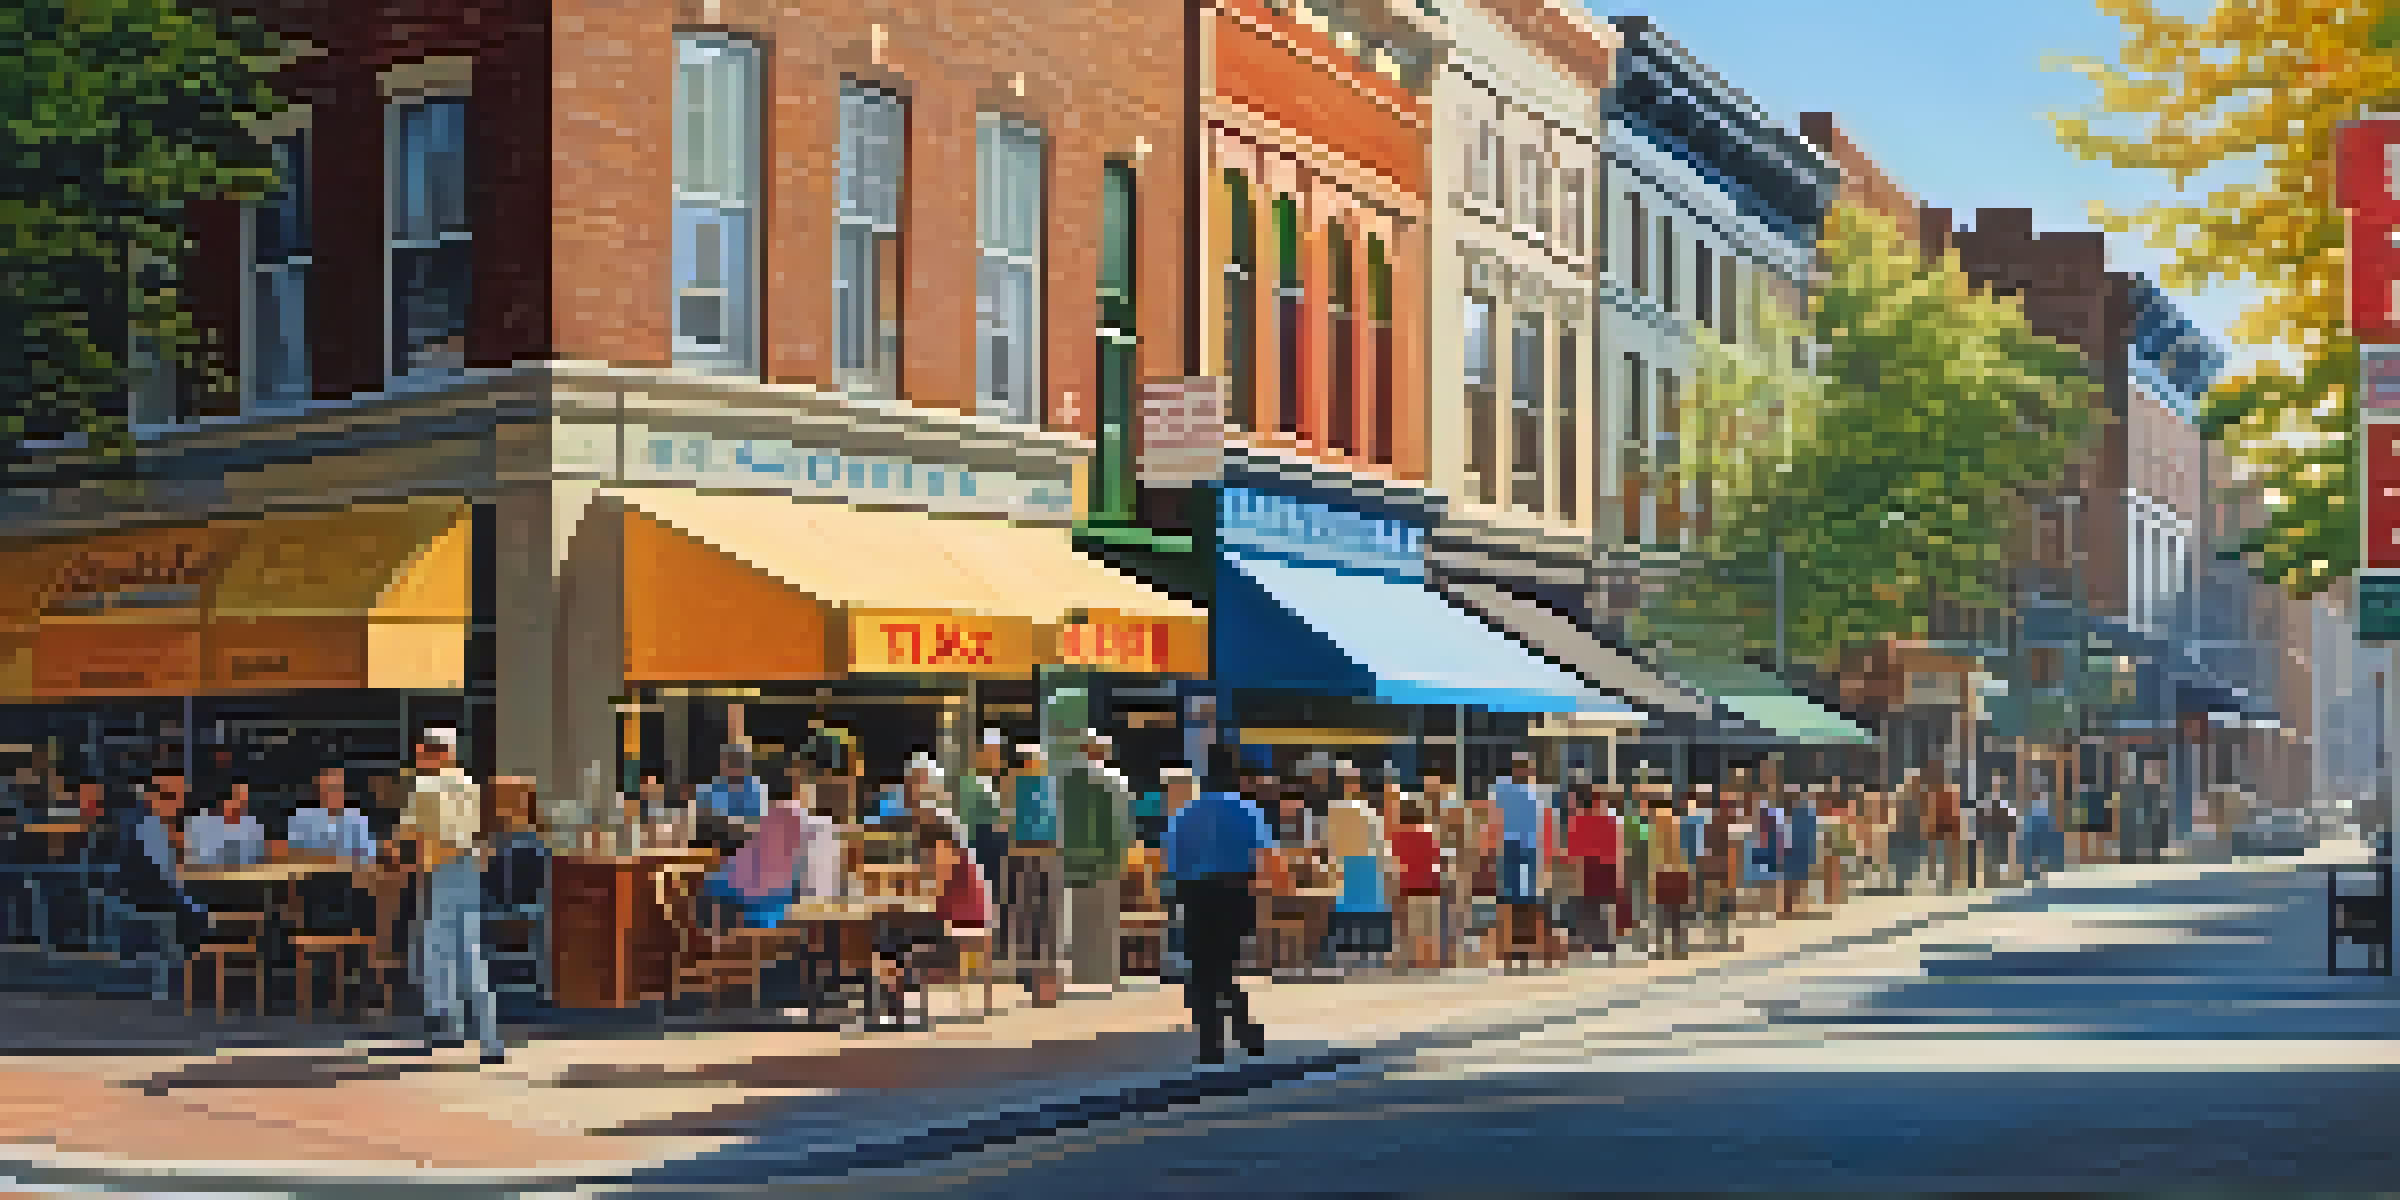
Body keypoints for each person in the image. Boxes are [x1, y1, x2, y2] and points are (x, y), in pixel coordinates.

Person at [394, 725, 503, 1065]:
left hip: (443, 868)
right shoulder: (470, 786)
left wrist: (391, 851)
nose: (421, 755)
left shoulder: (425, 786)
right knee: (466, 949)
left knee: (437, 949)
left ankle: (449, 1025)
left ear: (439, 753)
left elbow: (407, 832)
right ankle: (483, 1036)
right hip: (469, 868)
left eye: (426, 749)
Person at [1164, 749, 1275, 1065]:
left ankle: (1211, 1042)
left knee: (1202, 968)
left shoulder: (1184, 813)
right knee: (1222, 965)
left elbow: (1170, 861)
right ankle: (1243, 1029)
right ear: (1236, 777)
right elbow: (1264, 859)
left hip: (1194, 894)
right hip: (1234, 892)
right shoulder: (1248, 810)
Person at [1060, 731, 1133, 988]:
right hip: (1106, 860)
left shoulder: (1066, 781)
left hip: (1073, 861)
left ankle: (1082, 974)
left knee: (1080, 920)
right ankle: (1105, 974)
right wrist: (1122, 856)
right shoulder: (1114, 780)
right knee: (1106, 920)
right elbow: (1121, 825)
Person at [1004, 741, 1065, 1006]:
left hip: (1040, 856)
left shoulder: (1044, 786)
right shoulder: (1023, 785)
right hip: (1029, 856)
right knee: (1032, 918)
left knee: (1040, 918)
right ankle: (1033, 977)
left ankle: (1043, 977)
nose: (1029, 762)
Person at [1324, 762, 1392, 968]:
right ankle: (1359, 951)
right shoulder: (1345, 808)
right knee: (1355, 909)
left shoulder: (1356, 809)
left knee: (1359, 909)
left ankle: (1362, 951)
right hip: (1358, 864)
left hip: (1363, 864)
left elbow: (1377, 839)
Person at [1387, 783, 1444, 971]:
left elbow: (1395, 861)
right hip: (1431, 884)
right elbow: (1436, 857)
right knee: (1429, 927)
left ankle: (1411, 962)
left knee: (1409, 928)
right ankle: (1430, 962)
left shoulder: (1399, 835)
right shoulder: (1429, 832)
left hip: (1408, 886)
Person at [288, 765, 378, 864]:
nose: (332, 793)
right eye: (327, 787)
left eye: (337, 787)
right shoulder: (303, 817)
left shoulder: (356, 818)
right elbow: (293, 853)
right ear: (318, 789)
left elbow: (368, 856)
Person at [183, 776, 267, 868]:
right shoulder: (201, 822)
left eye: (244, 800)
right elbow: (195, 859)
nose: (240, 804)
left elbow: (255, 857)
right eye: (236, 797)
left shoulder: (251, 824)